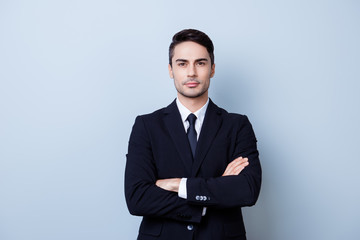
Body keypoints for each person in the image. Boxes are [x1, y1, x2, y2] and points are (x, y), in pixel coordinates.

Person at [125, 29, 261, 240]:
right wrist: (213, 193)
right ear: (171, 70)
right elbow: (138, 198)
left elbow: (246, 190)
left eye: (200, 63)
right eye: (182, 63)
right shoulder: (146, 126)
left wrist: (179, 185)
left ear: (212, 69)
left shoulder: (237, 126)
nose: (191, 73)